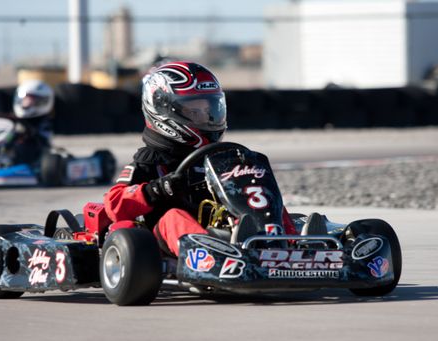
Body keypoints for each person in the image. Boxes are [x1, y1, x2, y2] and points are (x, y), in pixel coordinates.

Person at [104, 61, 296, 257]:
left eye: (208, 110)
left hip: (215, 227)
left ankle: (289, 246)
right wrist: (157, 189)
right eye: (194, 112)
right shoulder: (150, 160)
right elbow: (114, 205)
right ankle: (209, 257)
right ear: (163, 110)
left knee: (268, 204)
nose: (205, 119)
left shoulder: (217, 157)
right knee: (173, 217)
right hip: (162, 238)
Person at [0, 80, 54, 164]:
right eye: (25, 99)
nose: (26, 103)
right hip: (6, 147)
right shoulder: (13, 118)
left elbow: (43, 142)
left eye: (31, 100)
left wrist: (25, 132)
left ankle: (1, 163)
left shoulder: (43, 121)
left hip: (32, 154)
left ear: (43, 102)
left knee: (20, 146)